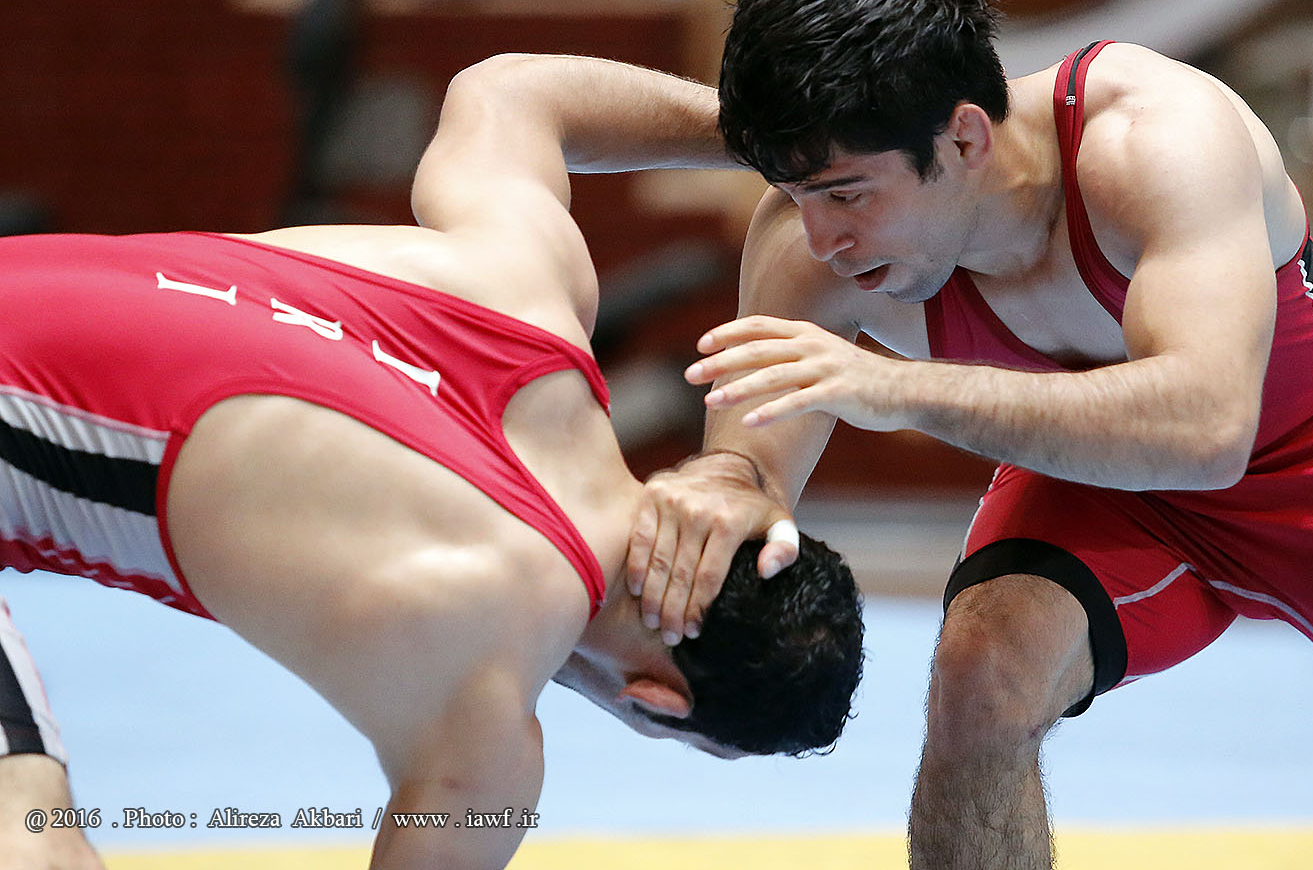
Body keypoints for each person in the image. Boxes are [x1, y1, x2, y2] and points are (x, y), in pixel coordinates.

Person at [624, 0, 1313, 870]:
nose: (820, 237)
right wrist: (716, 501)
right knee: (980, 679)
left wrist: (901, 388)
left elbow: (1207, 430)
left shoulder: (1157, 141)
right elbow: (747, 473)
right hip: (1097, 482)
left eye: (845, 193)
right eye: (792, 190)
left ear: (963, 137)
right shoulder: (808, 241)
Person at [0, 53, 864, 870]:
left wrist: (798, 147)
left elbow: (512, 89)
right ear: (657, 700)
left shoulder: (531, 289)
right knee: (33, 838)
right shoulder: (484, 726)